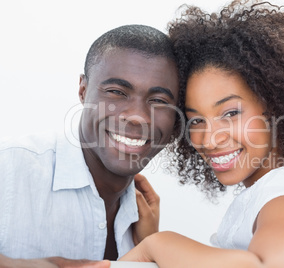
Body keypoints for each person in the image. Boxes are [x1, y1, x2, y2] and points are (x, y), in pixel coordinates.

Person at [119, 1, 284, 267]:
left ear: (277, 105)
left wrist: (158, 244)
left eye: (230, 113)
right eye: (196, 120)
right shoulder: (270, 193)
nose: (209, 139)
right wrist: (146, 243)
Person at [0, 24, 179, 267]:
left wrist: (152, 249)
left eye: (159, 100)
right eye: (116, 92)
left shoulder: (143, 222)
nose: (137, 116)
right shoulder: (9, 168)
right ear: (83, 90)